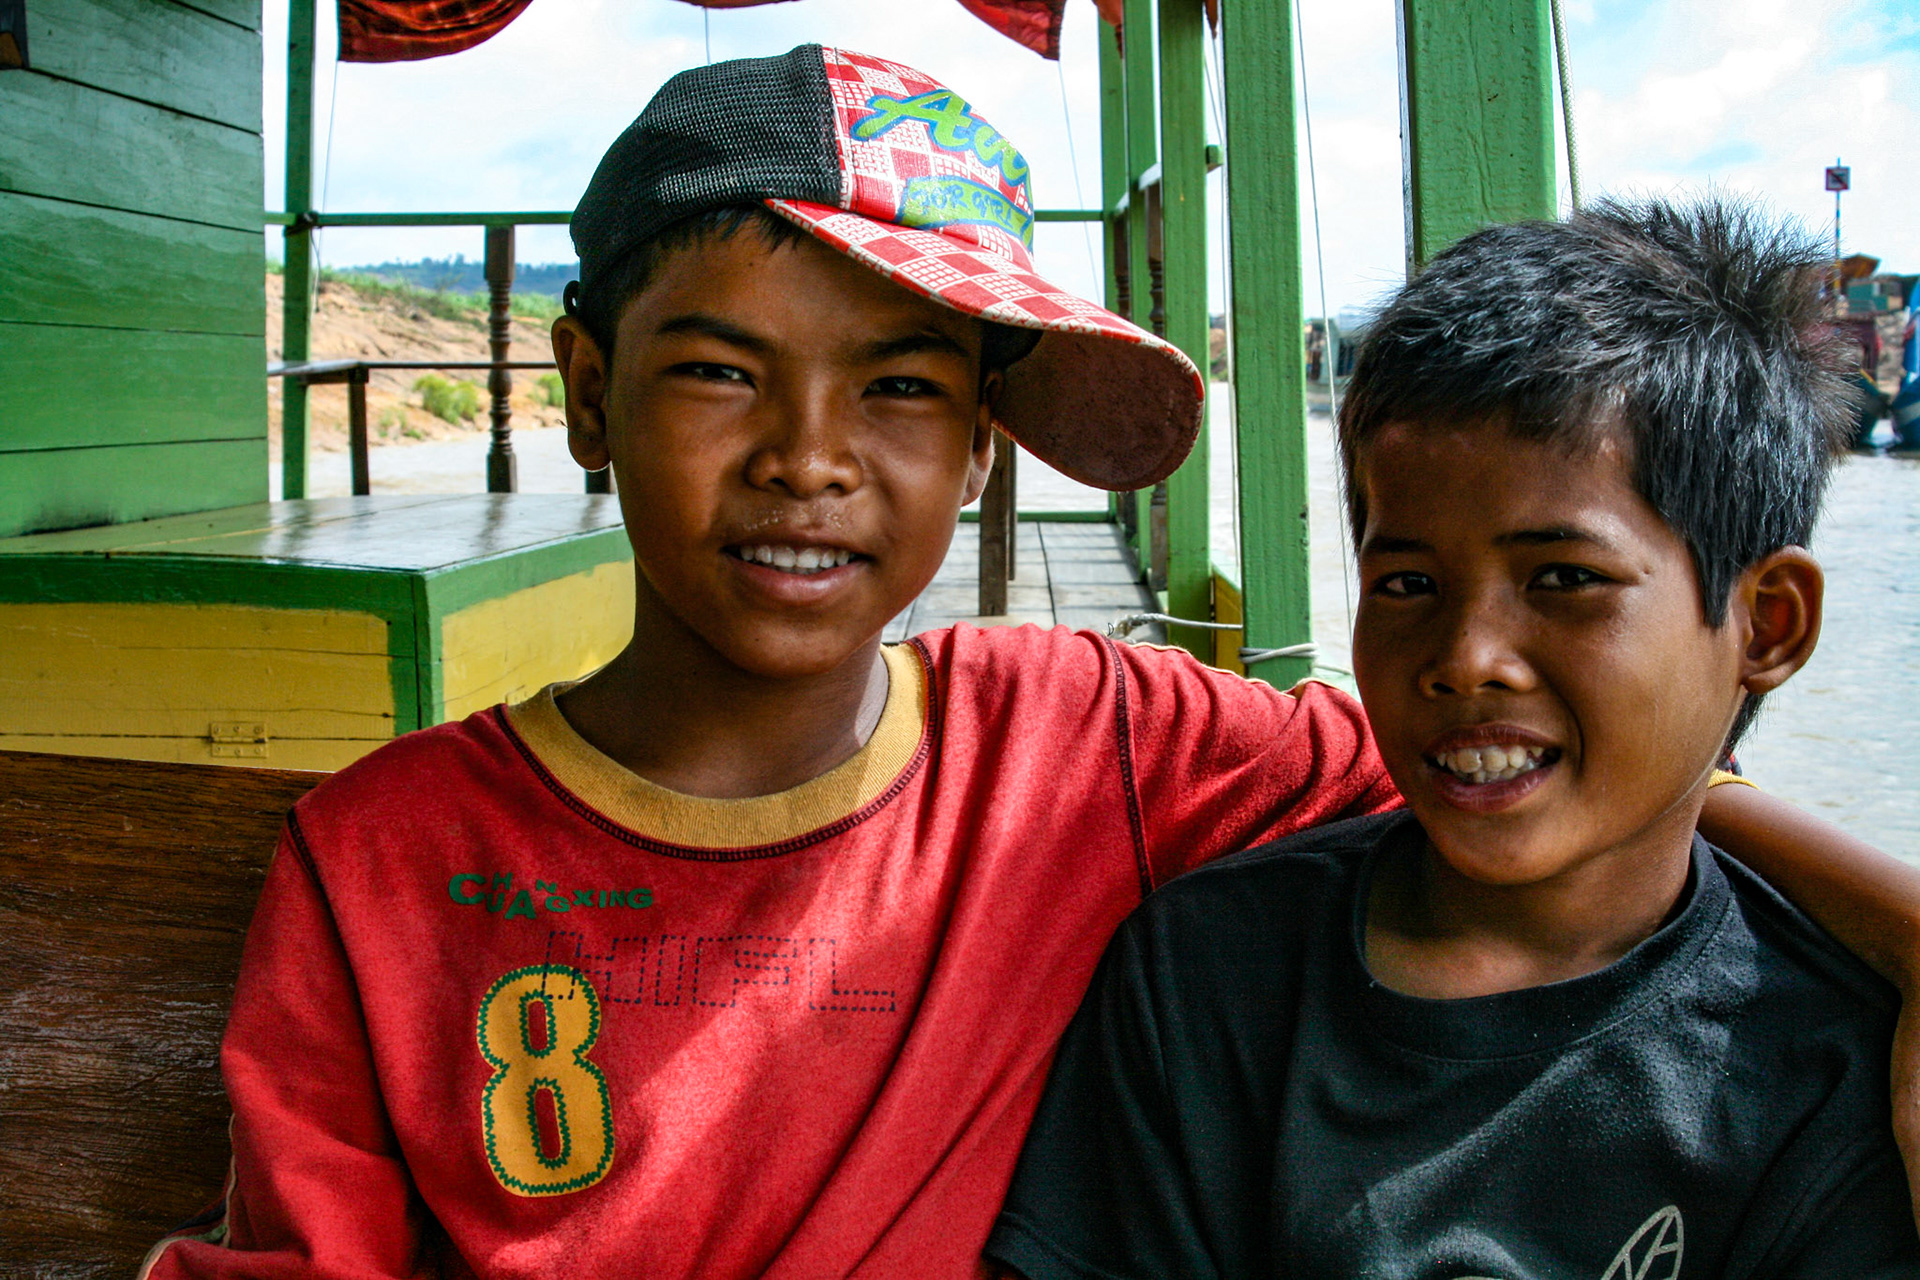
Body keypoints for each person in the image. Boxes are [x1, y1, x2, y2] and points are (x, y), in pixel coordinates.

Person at [141, 51, 1917, 1280]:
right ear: (590, 394)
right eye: (721, 371)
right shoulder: (379, 865)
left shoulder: (1096, 740)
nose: (810, 459)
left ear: (983, 447)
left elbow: (1529, 760)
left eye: (903, 387)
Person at [988, 200, 1920, 1280]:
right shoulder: (1215, 975)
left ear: (1766, 625)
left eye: (1564, 578)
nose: (1467, 658)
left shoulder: (1830, 1065)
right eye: (1406, 585)